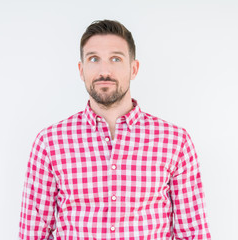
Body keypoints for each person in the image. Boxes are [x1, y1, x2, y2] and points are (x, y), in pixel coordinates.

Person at [19, 19, 211, 240]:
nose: (104, 70)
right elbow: (33, 234)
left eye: (115, 59)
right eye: (94, 59)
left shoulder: (175, 142)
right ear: (81, 70)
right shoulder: (50, 142)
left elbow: (193, 233)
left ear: (134, 68)